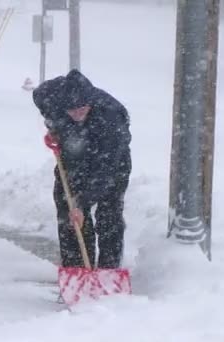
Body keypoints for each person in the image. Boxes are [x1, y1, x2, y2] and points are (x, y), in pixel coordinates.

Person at [32, 69, 131, 269]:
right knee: (68, 212)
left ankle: (108, 270)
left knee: (108, 216)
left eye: (82, 108)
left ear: (90, 101)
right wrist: (55, 127)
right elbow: (38, 96)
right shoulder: (52, 95)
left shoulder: (110, 116)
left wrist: (82, 201)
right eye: (72, 110)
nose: (78, 113)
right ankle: (76, 267)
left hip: (111, 164)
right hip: (73, 161)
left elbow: (106, 170)